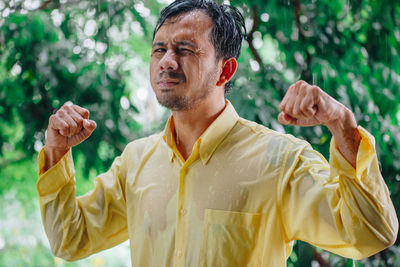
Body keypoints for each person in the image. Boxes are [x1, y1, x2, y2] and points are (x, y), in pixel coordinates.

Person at [37, 0, 398, 266]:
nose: (166, 60)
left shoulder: (281, 160)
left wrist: (342, 125)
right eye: (159, 48)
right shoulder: (136, 160)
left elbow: (372, 233)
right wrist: (55, 150)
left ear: (225, 71)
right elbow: (70, 239)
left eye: (185, 49)